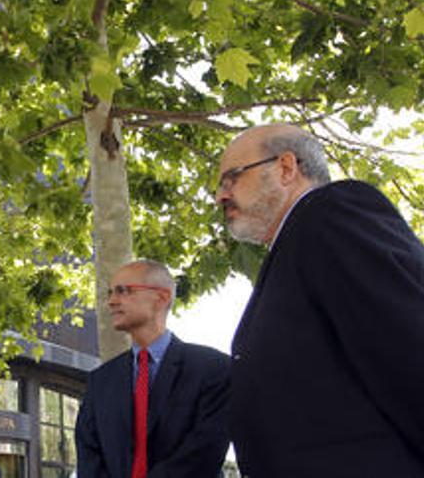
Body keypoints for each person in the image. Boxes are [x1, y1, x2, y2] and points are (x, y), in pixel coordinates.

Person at [215, 124, 424, 476]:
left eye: (231, 178)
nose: (220, 196)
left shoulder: (331, 215)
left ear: (285, 167)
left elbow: (409, 345)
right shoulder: (295, 246)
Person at [75, 259, 231, 478]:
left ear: (161, 297)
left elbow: (205, 451)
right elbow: (89, 456)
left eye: (123, 291)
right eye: (110, 292)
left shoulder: (213, 369)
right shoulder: (100, 380)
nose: (111, 301)